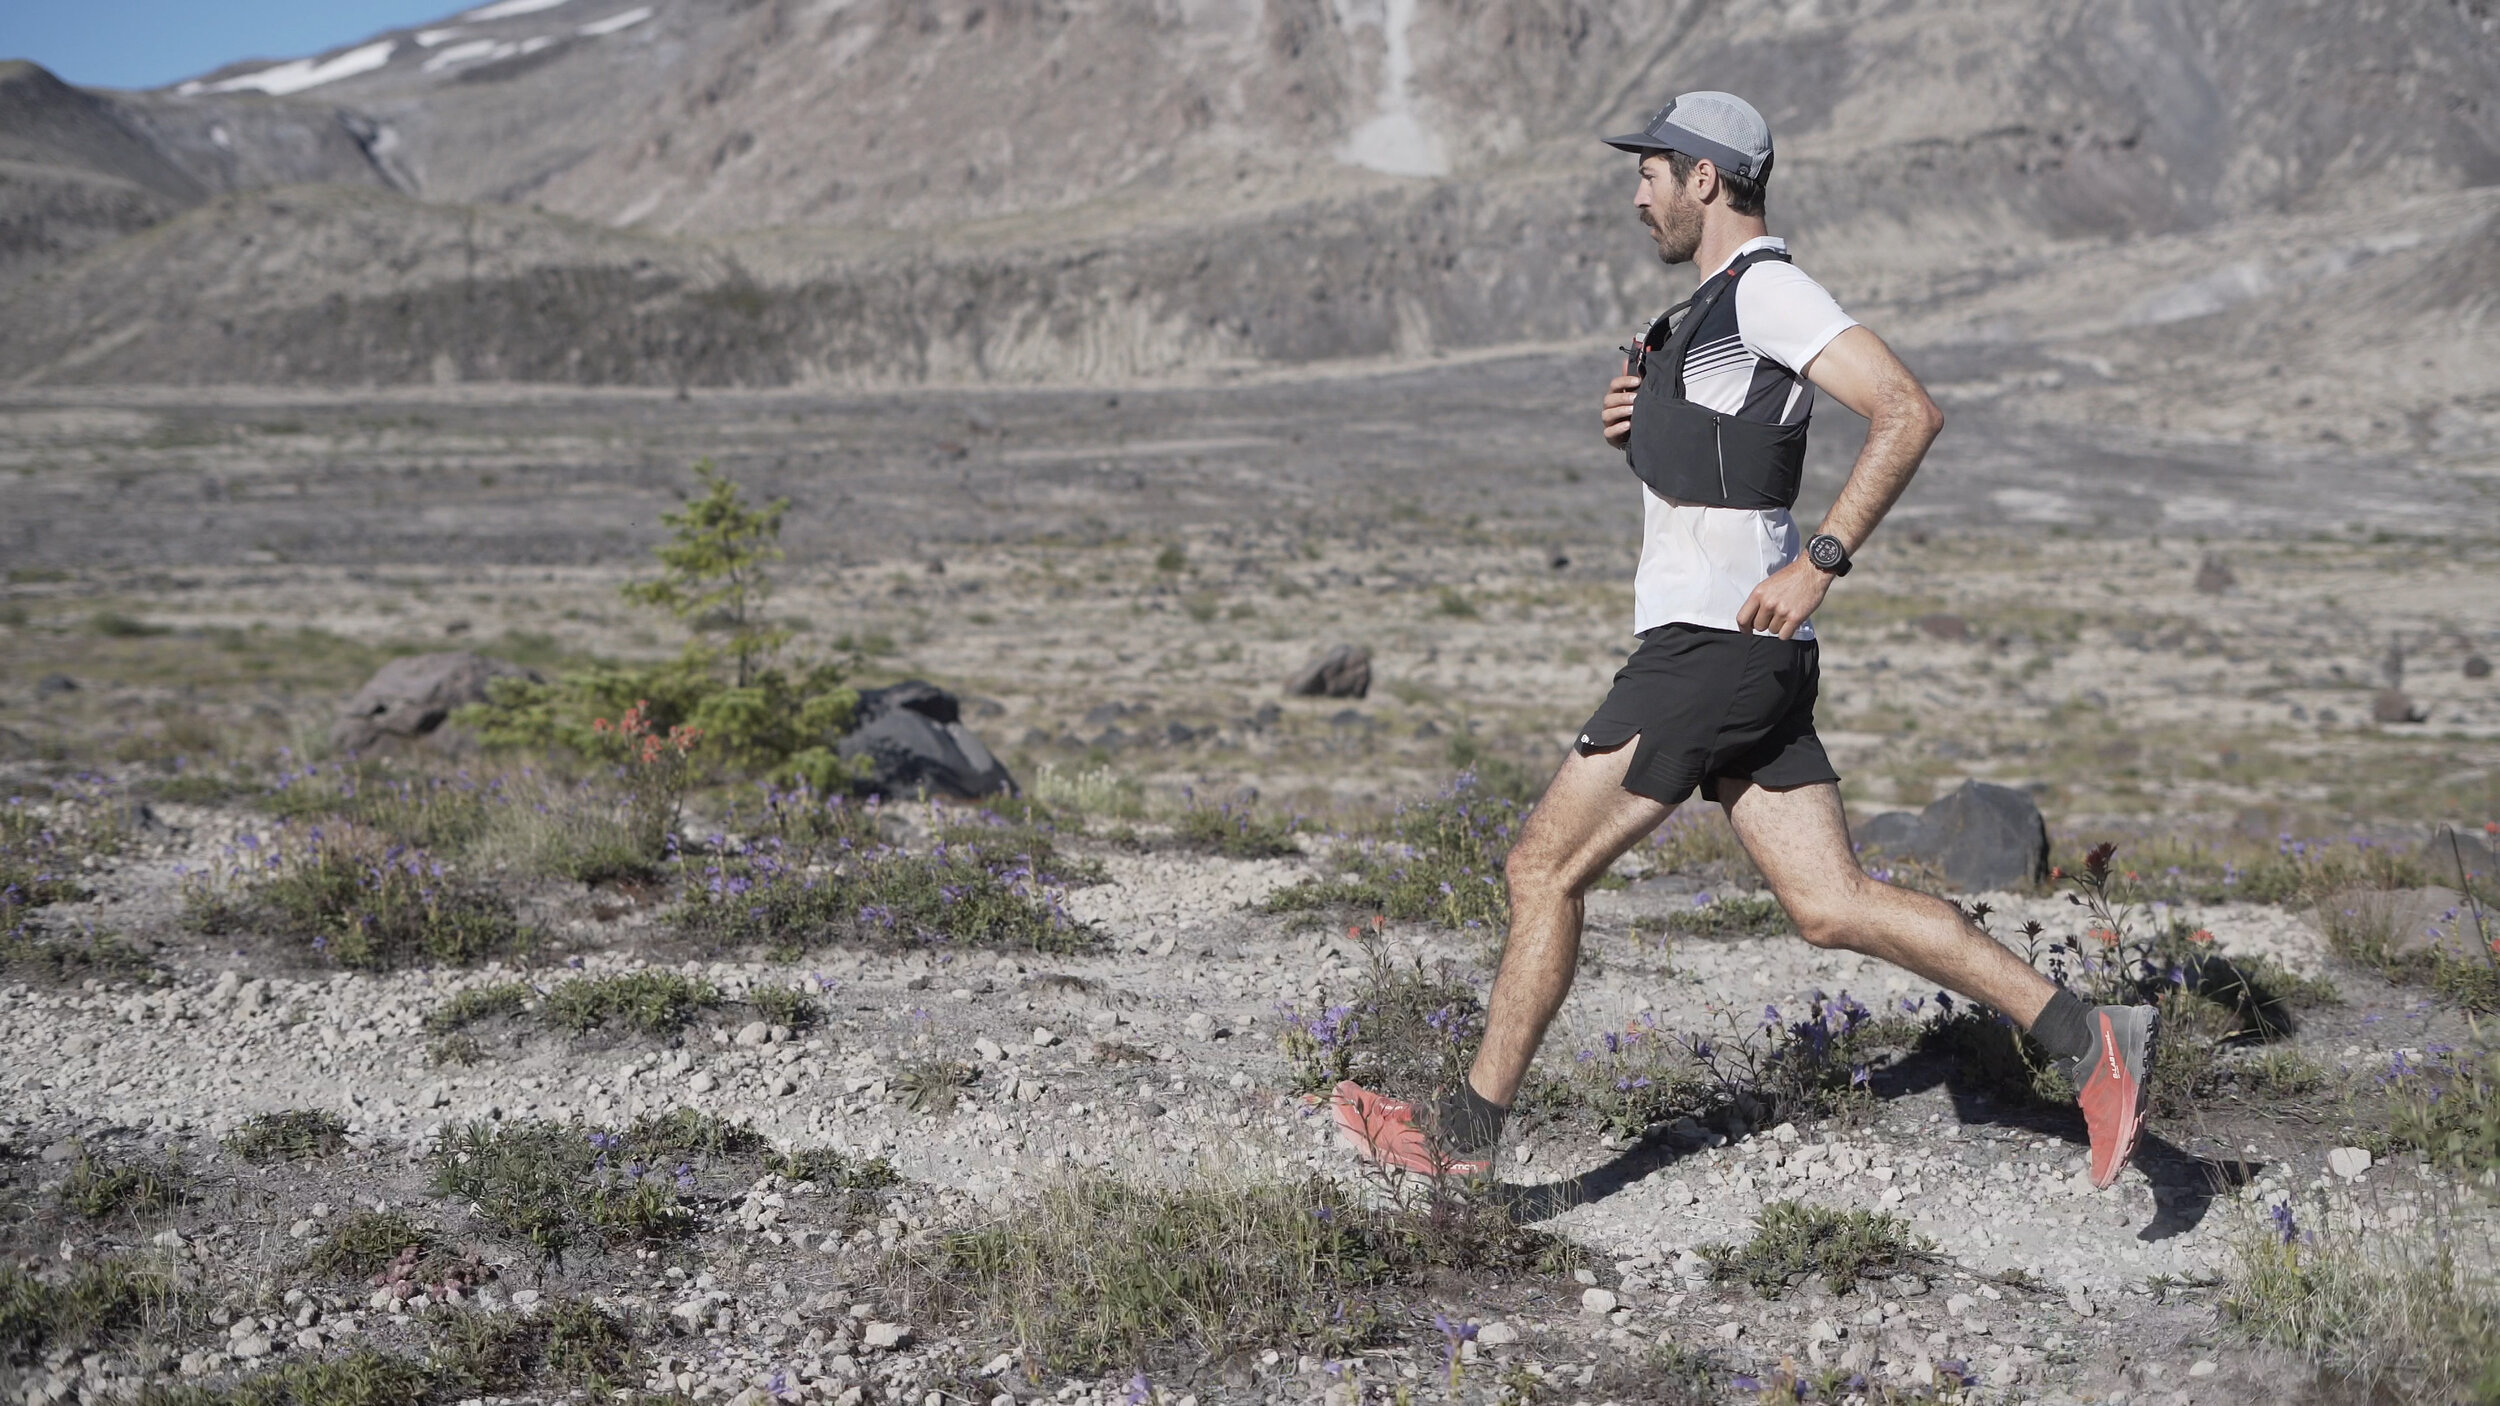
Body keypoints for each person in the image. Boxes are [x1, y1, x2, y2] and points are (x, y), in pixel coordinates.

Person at [1332, 91, 2157, 1191]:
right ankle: (2087, 1038)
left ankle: (1459, 1142)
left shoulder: (1768, 289)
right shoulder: (1709, 309)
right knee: (1830, 905)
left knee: (1542, 867)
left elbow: (1905, 408)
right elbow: (1723, 473)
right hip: (1739, 651)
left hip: (1710, 650)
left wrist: (1821, 557)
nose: (1637, 196)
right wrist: (1644, 425)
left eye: (1651, 174)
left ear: (1706, 180)